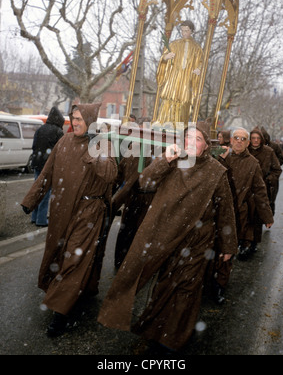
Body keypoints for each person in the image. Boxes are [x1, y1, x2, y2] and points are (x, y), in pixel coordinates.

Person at [98, 121, 237, 354]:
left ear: (206, 145)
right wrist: (164, 159)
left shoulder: (216, 172)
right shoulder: (173, 162)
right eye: (188, 138)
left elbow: (225, 210)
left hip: (197, 241)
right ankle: (157, 329)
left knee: (186, 290)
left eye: (198, 139)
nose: (192, 143)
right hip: (168, 237)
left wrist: (228, 245)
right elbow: (145, 182)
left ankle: (172, 339)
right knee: (165, 285)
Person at [21, 103, 118, 337]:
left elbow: (110, 174)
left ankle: (59, 314)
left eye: (80, 119)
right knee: (59, 254)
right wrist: (30, 200)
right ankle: (74, 292)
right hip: (62, 210)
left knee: (74, 260)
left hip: (89, 211)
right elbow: (47, 173)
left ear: (90, 121)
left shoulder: (101, 143)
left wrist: (94, 149)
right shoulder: (63, 142)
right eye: (73, 118)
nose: (75, 123)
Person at [217, 128, 273, 273]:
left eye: (243, 139)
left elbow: (260, 191)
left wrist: (267, 216)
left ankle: (220, 286)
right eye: (236, 138)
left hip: (237, 213)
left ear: (247, 143)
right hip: (216, 211)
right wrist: (221, 159)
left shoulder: (253, 163)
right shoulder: (222, 156)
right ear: (231, 140)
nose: (239, 142)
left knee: (227, 249)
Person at [113, 117, 154, 269]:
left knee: (135, 232)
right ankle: (123, 263)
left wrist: (115, 201)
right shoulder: (134, 148)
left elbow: (129, 178)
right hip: (133, 197)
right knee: (128, 231)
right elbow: (122, 173)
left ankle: (126, 264)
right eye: (140, 131)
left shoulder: (147, 149)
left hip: (144, 198)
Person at [155, 20, 204, 126]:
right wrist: (165, 58)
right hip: (173, 78)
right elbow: (164, 58)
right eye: (182, 31)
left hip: (187, 79)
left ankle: (179, 125)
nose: (184, 33)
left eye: (186, 31)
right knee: (169, 99)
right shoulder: (174, 44)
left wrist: (199, 69)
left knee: (184, 101)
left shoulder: (196, 48)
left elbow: (200, 62)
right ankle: (164, 122)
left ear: (191, 31)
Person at [30, 106, 65, 227]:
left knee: (37, 190)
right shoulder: (58, 131)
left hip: (37, 163)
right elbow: (61, 151)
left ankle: (34, 217)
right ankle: (41, 219)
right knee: (45, 193)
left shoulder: (40, 129)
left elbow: (34, 146)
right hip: (48, 165)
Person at [249, 127, 282, 218]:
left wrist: (268, 179)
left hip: (264, 187)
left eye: (258, 138)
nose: (256, 140)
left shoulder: (269, 151)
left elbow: (277, 169)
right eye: (253, 138)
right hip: (247, 189)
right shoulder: (245, 150)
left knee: (262, 210)